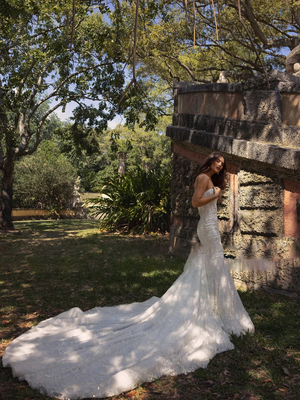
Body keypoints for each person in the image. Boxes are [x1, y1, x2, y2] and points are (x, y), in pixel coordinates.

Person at [2, 152, 254, 400]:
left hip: (210, 227)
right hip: (207, 228)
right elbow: (195, 203)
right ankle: (212, 310)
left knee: (213, 268)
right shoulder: (202, 178)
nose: (219, 166)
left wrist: (216, 194)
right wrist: (217, 194)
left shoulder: (212, 180)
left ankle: (217, 308)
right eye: (217, 162)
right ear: (209, 162)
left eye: (222, 164)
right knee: (213, 265)